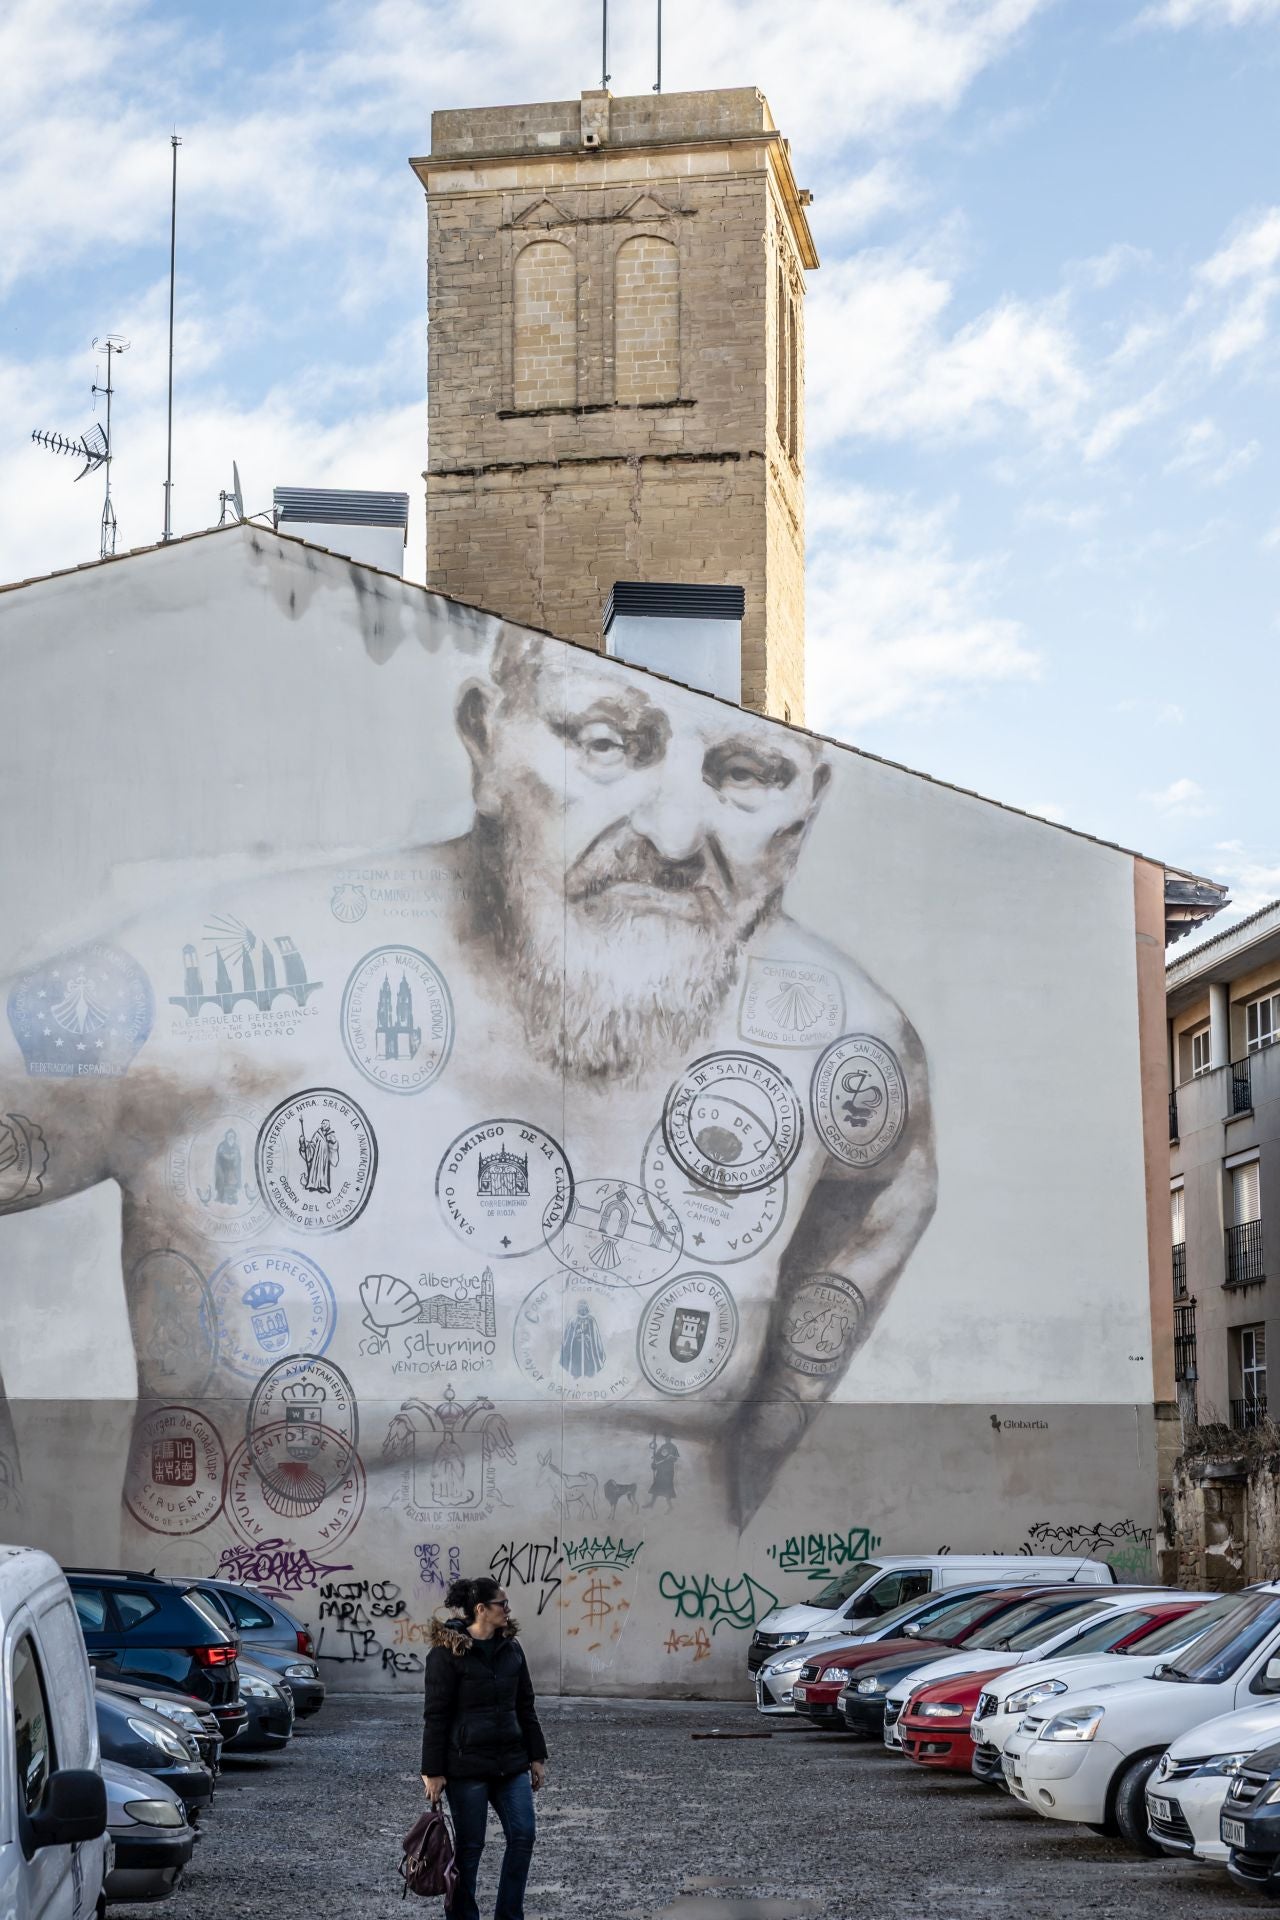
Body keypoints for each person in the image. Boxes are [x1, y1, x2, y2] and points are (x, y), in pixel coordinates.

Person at [421, 1576, 547, 1920]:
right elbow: (436, 1715)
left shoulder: (511, 1647)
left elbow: (525, 1704)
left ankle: (509, 1915)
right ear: (481, 1609)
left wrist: (536, 1756)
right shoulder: (447, 1652)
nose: (507, 1609)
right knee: (470, 1848)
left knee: (523, 1836)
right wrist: (432, 1771)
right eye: (501, 1604)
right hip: (466, 1766)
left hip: (510, 1761)